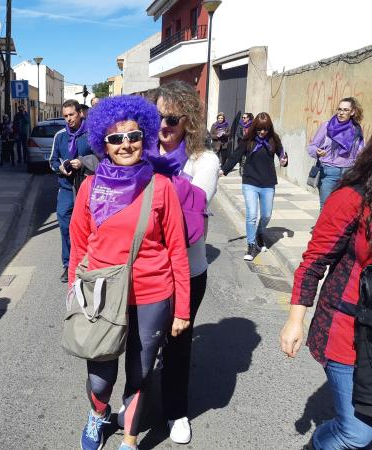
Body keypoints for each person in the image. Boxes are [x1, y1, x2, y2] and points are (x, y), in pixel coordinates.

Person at [69, 95, 190, 450]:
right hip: (102, 294)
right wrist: (75, 287)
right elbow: (78, 243)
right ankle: (98, 414)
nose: (126, 144)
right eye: (116, 138)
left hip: (152, 295)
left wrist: (182, 308)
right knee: (100, 379)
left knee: (139, 375)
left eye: (134, 135)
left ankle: (131, 440)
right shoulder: (90, 187)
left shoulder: (162, 187)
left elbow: (177, 252)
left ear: (146, 136)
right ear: (102, 144)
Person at [280, 140, 372, 450]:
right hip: (347, 330)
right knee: (357, 434)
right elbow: (314, 262)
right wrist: (296, 320)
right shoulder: (352, 198)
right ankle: (318, 443)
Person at [145, 81, 219, 444]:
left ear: (188, 120)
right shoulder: (139, 150)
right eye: (157, 117)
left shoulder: (204, 161)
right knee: (142, 341)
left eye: (172, 118)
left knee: (178, 343)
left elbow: (191, 221)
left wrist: (151, 175)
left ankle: (176, 410)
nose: (163, 125)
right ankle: (136, 401)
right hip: (146, 269)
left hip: (187, 271)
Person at [221, 112, 288, 261]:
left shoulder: (274, 140)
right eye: (259, 129)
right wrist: (224, 169)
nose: (262, 132)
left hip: (268, 183)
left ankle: (259, 233)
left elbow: (282, 155)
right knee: (252, 215)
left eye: (265, 129)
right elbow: (235, 155)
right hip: (250, 181)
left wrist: (284, 160)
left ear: (269, 128)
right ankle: (251, 245)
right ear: (255, 128)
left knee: (266, 215)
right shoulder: (248, 140)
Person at [49, 99, 93, 283]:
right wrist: (61, 168)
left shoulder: (91, 134)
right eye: (65, 116)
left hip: (87, 188)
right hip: (66, 189)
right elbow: (52, 161)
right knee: (65, 227)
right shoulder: (59, 136)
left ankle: (88, 262)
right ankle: (68, 265)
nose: (68, 119)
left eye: (71, 115)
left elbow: (102, 157)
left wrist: (82, 161)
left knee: (89, 229)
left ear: (80, 113)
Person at [306, 97, 365, 209]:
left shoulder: (356, 129)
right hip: (328, 173)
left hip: (348, 174)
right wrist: (317, 152)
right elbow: (312, 147)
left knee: (344, 208)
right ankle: (323, 227)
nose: (341, 113)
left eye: (345, 110)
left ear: (352, 112)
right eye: (339, 109)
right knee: (326, 207)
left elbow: (361, 151)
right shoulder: (327, 126)